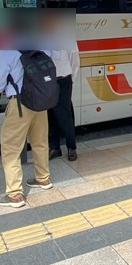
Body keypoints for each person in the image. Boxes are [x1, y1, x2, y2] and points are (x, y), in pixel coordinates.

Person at [0, 47, 54, 208]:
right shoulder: (38, 46)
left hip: (19, 104)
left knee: (11, 148)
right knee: (40, 142)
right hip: (40, 102)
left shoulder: (6, 53)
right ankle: (43, 179)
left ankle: (15, 195)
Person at [47, 17, 80, 162]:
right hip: (46, 81)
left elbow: (75, 60)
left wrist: (71, 79)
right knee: (49, 115)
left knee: (64, 115)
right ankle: (54, 148)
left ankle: (71, 147)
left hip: (63, 79)